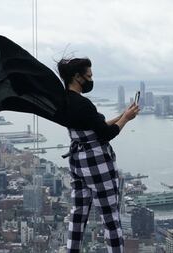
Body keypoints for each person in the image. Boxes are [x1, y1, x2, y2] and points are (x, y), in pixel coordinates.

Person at [58, 58, 140, 253]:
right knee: (110, 216)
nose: (91, 79)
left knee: (78, 213)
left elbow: (97, 127)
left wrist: (122, 115)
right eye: (89, 75)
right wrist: (126, 120)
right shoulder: (83, 104)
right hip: (96, 161)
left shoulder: (63, 100)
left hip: (77, 160)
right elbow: (106, 134)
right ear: (77, 77)